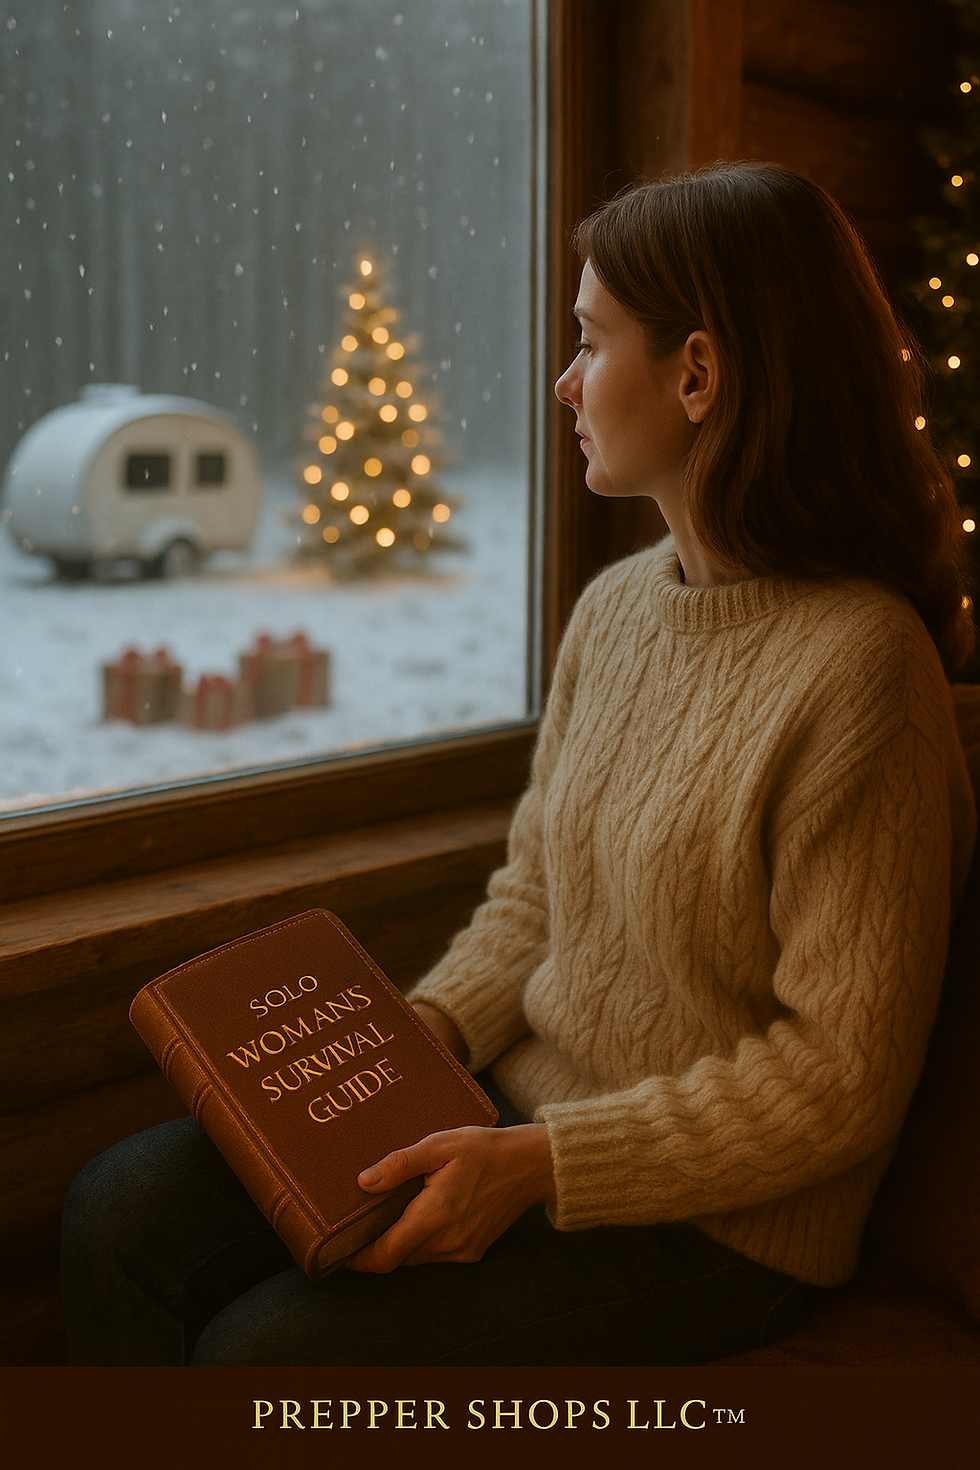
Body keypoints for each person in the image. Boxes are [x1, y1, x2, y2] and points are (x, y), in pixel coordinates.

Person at [61, 161, 976, 1366]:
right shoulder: (616, 608)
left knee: (265, 1355)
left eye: (589, 342)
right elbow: (535, 899)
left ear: (697, 373)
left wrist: (539, 1165)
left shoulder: (864, 671)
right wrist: (420, 1042)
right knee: (119, 1208)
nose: (562, 382)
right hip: (518, 1111)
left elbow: (835, 1078)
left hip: (716, 1227)